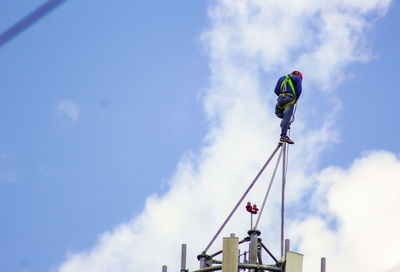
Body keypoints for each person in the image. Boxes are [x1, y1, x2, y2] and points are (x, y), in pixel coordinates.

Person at [274, 71, 303, 144]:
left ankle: (284, 122)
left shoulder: (282, 78)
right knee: (287, 117)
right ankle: (283, 135)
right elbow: (299, 90)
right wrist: (295, 99)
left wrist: (282, 96)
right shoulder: (297, 78)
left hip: (280, 99)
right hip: (290, 98)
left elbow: (276, 90)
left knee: (279, 113)